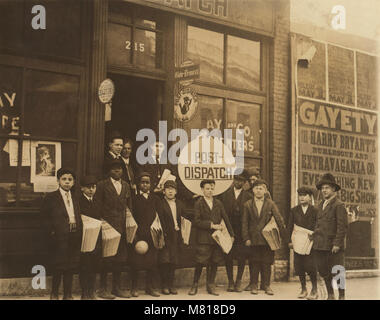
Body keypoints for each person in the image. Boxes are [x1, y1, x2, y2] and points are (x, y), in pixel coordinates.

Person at [188, 179, 235, 296]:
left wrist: (231, 234)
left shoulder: (218, 203)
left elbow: (226, 218)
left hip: (217, 238)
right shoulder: (198, 203)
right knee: (200, 261)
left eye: (212, 188)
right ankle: (194, 284)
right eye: (207, 188)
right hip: (203, 238)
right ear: (202, 190)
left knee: (215, 261)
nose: (210, 191)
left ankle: (211, 284)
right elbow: (196, 221)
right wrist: (212, 225)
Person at [41, 168, 82, 300]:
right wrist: (52, 232)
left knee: (70, 266)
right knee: (58, 265)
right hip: (58, 237)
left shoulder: (75, 198)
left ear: (74, 182)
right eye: (64, 179)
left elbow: (77, 215)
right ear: (58, 180)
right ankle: (54, 293)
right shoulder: (51, 197)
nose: (67, 182)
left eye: (70, 179)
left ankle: (68, 294)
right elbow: (45, 217)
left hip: (73, 235)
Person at [94, 160, 132, 299]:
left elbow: (129, 207)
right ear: (109, 171)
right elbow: (97, 206)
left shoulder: (126, 186)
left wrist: (129, 224)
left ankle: (117, 288)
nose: (117, 171)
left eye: (120, 169)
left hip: (121, 228)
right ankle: (103, 289)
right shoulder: (102, 185)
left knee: (120, 259)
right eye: (114, 169)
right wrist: (101, 224)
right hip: (107, 228)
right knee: (106, 259)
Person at [242, 179, 285, 296]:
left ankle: (266, 285)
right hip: (253, 239)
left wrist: (281, 237)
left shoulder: (271, 204)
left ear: (265, 191)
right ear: (253, 190)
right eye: (256, 188)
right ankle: (254, 284)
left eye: (261, 188)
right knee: (254, 262)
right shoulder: (248, 204)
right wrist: (246, 238)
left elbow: (279, 219)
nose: (258, 190)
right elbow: (244, 223)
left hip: (268, 239)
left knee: (267, 262)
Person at [313, 173, 348, 300]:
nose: (324, 190)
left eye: (327, 187)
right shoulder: (321, 204)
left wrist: (337, 244)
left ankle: (342, 295)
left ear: (334, 189)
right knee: (323, 270)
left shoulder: (338, 205)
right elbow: (319, 224)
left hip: (333, 246)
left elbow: (342, 227)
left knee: (338, 271)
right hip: (320, 245)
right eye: (322, 188)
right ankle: (330, 294)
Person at [129, 172, 163, 297]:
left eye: (147, 182)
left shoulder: (156, 199)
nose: (145, 185)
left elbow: (160, 217)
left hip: (152, 234)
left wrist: (159, 232)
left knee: (152, 262)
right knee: (136, 263)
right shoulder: (134, 199)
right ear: (138, 184)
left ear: (151, 184)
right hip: (138, 235)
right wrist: (135, 234)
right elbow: (131, 217)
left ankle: (150, 287)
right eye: (142, 182)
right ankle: (134, 287)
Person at [220, 170, 252, 292]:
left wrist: (247, 234)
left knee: (241, 257)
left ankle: (238, 281)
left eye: (241, 180)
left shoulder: (249, 196)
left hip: (242, 232)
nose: (238, 182)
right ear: (233, 180)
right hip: (228, 230)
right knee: (228, 256)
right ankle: (230, 282)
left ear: (244, 183)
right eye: (236, 179)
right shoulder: (225, 194)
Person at [287, 186, 318, 300]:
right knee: (299, 265)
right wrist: (289, 241)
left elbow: (318, 226)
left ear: (310, 197)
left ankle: (314, 289)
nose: (302, 197)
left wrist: (314, 235)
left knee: (311, 266)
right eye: (300, 195)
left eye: (304, 195)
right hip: (297, 242)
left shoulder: (315, 211)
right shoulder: (294, 210)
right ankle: (303, 288)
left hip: (310, 242)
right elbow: (290, 226)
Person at [157, 180, 186, 295]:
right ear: (163, 192)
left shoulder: (179, 204)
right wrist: (162, 234)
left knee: (173, 260)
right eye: (167, 189)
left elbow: (183, 219)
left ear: (176, 191)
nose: (170, 191)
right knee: (165, 260)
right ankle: (164, 285)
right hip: (165, 235)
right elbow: (159, 220)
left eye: (172, 189)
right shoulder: (160, 203)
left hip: (176, 235)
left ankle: (171, 284)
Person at [79, 175, 101, 300]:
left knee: (94, 265)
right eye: (88, 187)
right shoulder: (79, 202)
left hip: (96, 237)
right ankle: (84, 292)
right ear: (82, 188)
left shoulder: (97, 201)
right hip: (84, 238)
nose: (91, 190)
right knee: (85, 265)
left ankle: (91, 291)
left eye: (93, 187)